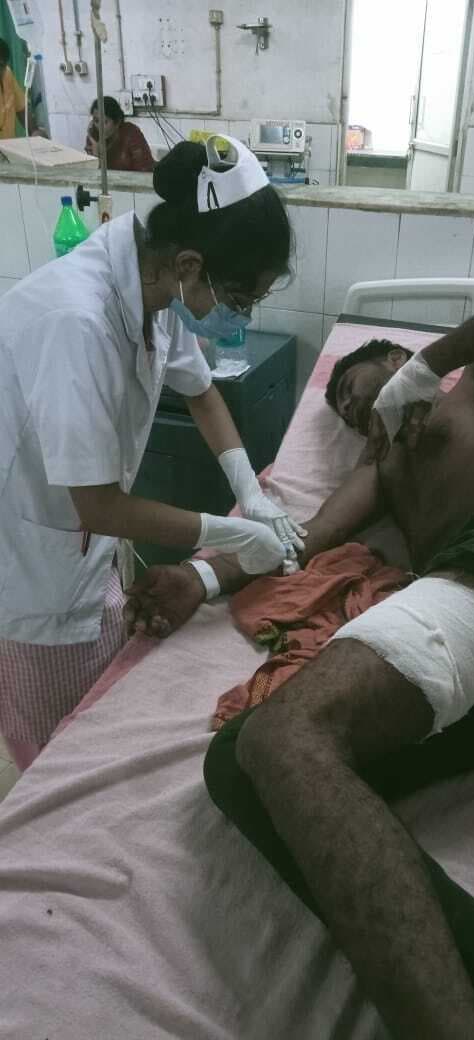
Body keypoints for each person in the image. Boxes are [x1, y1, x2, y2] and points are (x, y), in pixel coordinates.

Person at [128, 269, 474, 1037]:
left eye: (354, 385)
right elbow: (302, 543)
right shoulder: (378, 468)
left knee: (285, 737)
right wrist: (198, 577)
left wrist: (430, 365)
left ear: (393, 363)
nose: (345, 404)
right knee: (240, 764)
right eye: (338, 402)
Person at [0, 135, 305, 771]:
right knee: (58, 758)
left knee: (98, 698)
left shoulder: (156, 285)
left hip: (79, 542)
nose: (241, 316)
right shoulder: (77, 321)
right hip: (27, 567)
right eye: (239, 299)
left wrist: (250, 491)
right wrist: (232, 535)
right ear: (190, 264)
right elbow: (97, 506)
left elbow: (202, 393)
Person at [85, 95, 154, 172]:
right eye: (96, 121)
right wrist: (96, 156)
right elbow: (91, 174)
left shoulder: (130, 133)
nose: (99, 127)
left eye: (105, 122)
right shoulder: (93, 135)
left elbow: (145, 170)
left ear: (117, 122)